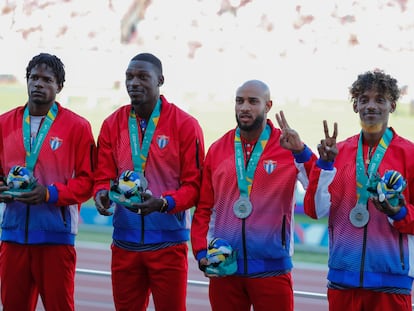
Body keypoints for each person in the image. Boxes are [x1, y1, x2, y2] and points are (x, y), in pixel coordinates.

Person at [190, 79, 317, 311]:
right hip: (225, 268)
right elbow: (204, 208)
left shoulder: (287, 146)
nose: (244, 107)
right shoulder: (218, 148)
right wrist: (200, 251)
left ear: (268, 105)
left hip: (272, 268)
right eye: (239, 101)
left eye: (252, 101)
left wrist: (301, 152)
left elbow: (317, 189)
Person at [93, 52, 205, 311]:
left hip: (168, 244)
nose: (134, 82)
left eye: (143, 77)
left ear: (160, 80)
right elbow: (103, 176)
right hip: (124, 243)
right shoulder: (112, 124)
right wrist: (101, 193)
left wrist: (164, 203)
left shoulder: (185, 125)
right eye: (129, 77)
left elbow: (195, 186)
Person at [304, 70, 414, 311]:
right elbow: (313, 210)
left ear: (392, 105)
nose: (371, 106)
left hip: (391, 282)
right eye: (364, 99)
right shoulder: (337, 152)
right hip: (343, 281)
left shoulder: (410, 154)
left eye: (380, 99)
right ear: (355, 105)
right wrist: (323, 165)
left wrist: (398, 213)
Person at [0, 53, 96, 310]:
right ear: (26, 81)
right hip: (12, 235)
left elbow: (88, 182)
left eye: (46, 79)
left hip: (56, 238)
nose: (38, 84)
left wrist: (49, 194)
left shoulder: (77, 127)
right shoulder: (4, 123)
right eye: (33, 78)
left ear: (59, 86)